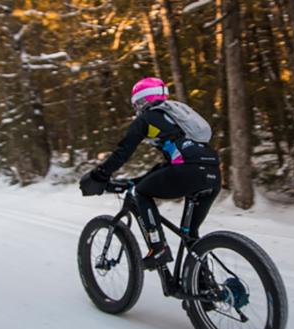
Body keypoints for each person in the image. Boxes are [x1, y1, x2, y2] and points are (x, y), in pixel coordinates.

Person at [80, 77, 221, 269]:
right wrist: (133, 181)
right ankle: (203, 290)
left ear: (142, 102)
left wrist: (99, 175)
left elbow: (123, 151)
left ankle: (158, 248)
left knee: (142, 193)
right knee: (191, 236)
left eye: (136, 104)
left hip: (186, 171)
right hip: (212, 174)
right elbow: (168, 167)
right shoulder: (178, 119)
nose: (137, 109)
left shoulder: (148, 118)